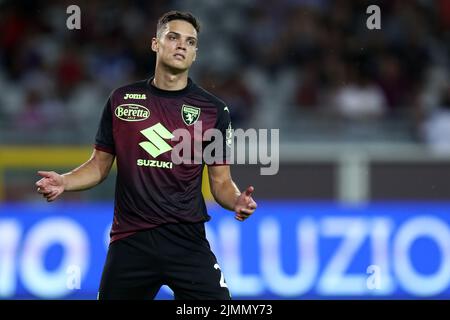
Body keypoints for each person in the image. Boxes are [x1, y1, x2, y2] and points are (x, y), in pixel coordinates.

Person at [35, 10, 257, 300]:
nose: (181, 45)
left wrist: (236, 200)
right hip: (131, 242)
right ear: (156, 44)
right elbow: (100, 165)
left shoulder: (213, 110)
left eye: (190, 42)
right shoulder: (121, 100)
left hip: (186, 241)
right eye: (173, 37)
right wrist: (65, 181)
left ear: (195, 54)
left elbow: (221, 182)